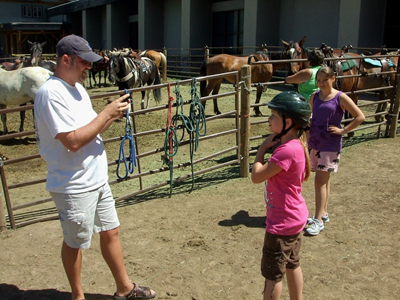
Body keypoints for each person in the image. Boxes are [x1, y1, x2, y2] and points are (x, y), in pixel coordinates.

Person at [34, 34, 157, 300]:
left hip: (95, 178)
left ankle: (124, 288)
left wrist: (113, 115)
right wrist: (108, 113)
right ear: (65, 60)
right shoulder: (50, 94)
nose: (89, 67)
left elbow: (90, 127)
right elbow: (73, 141)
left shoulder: (77, 89)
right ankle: (77, 296)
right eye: (84, 62)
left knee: (111, 230)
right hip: (74, 183)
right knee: (75, 242)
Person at [251, 91, 311, 300]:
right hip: (294, 218)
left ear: (288, 121)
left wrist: (262, 149)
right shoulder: (297, 145)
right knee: (292, 264)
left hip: (281, 224)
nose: (269, 119)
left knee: (273, 275)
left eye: (273, 115)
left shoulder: (285, 151)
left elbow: (257, 176)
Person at [305, 66, 365, 236]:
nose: (322, 83)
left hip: (330, 145)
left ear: (333, 78)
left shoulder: (340, 97)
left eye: (325, 79)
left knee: (319, 181)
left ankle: (318, 220)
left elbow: (360, 116)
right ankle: (323, 213)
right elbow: (312, 115)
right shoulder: (314, 96)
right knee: (324, 180)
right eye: (319, 80)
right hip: (316, 143)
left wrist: (343, 130)